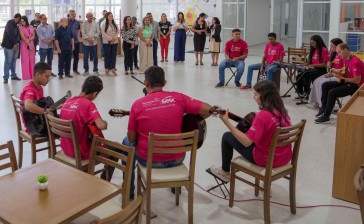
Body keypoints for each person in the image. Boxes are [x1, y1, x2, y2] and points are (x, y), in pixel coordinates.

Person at [125, 66, 213, 198]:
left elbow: (132, 138)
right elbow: (209, 109)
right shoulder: (178, 98)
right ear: (164, 83)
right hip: (177, 158)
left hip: (149, 160)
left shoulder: (138, 104)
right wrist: (188, 119)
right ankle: (174, 186)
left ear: (145, 83)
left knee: (127, 143)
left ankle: (129, 192)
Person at [209, 80, 292, 183]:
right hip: (285, 156)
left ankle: (224, 172)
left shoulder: (263, 116)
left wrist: (227, 122)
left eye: (256, 94)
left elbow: (246, 142)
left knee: (227, 136)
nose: (254, 97)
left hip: (267, 160)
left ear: (264, 96)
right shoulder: (282, 111)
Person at [59, 76, 108, 160]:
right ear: (95, 93)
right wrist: (105, 123)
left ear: (83, 87)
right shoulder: (88, 104)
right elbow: (101, 126)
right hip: (80, 152)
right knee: (115, 149)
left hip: (65, 148)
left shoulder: (67, 101)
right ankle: (92, 172)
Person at [316, 43, 364, 124]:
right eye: (337, 52)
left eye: (339, 52)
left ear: (345, 50)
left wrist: (343, 78)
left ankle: (326, 116)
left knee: (332, 92)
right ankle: (323, 108)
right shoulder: (347, 59)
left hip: (357, 86)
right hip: (348, 81)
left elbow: (357, 80)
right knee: (325, 85)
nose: (338, 55)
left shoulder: (355, 62)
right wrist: (336, 72)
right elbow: (346, 70)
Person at [308, 38, 344, 108]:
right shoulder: (333, 54)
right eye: (330, 45)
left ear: (338, 46)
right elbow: (328, 66)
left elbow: (343, 70)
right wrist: (329, 61)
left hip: (338, 75)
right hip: (332, 73)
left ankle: (323, 103)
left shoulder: (342, 55)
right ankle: (316, 101)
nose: (330, 47)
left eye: (332, 45)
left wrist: (332, 73)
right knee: (316, 81)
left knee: (322, 83)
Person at [20, 62, 53, 134]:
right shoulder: (30, 89)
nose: (49, 79)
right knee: (66, 127)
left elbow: (40, 105)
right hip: (34, 127)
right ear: (38, 75)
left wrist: (54, 107)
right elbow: (28, 105)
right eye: (46, 76)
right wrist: (45, 112)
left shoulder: (39, 87)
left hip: (38, 120)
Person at [1, 13, 22, 83]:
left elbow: (18, 33)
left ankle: (13, 75)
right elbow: (10, 34)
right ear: (16, 18)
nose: (18, 22)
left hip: (16, 44)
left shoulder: (17, 24)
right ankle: (6, 77)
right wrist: (15, 43)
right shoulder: (10, 23)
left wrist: (17, 43)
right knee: (8, 61)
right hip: (9, 46)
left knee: (14, 61)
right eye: (18, 20)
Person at [101, 12, 119, 76]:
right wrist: (110, 39)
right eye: (109, 16)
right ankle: (107, 69)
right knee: (107, 56)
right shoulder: (104, 24)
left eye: (112, 16)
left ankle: (113, 69)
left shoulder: (115, 24)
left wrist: (114, 38)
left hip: (115, 42)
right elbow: (103, 33)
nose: (111, 17)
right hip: (106, 42)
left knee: (113, 56)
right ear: (107, 17)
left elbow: (118, 32)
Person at [81, 12, 100, 76]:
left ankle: (95, 70)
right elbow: (83, 33)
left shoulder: (96, 23)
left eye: (91, 16)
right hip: (86, 43)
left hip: (94, 42)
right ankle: (86, 70)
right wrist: (88, 39)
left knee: (95, 57)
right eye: (89, 16)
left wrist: (92, 39)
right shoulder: (84, 23)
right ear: (86, 17)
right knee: (85, 57)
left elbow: (98, 32)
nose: (90, 17)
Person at [19, 15, 35, 80]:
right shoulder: (21, 28)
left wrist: (30, 40)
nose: (22, 23)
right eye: (21, 21)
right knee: (25, 60)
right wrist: (28, 43)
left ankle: (32, 74)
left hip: (31, 43)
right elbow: (23, 37)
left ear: (26, 21)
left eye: (23, 21)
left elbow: (33, 35)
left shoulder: (31, 26)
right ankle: (26, 76)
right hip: (24, 44)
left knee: (32, 59)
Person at [68, 10, 81, 75]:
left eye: (74, 14)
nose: (74, 15)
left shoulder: (77, 22)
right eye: (72, 14)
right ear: (69, 14)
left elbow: (78, 29)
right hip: (68, 42)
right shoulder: (66, 21)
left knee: (76, 57)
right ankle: (67, 70)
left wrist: (77, 36)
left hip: (76, 42)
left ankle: (75, 69)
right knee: (68, 57)